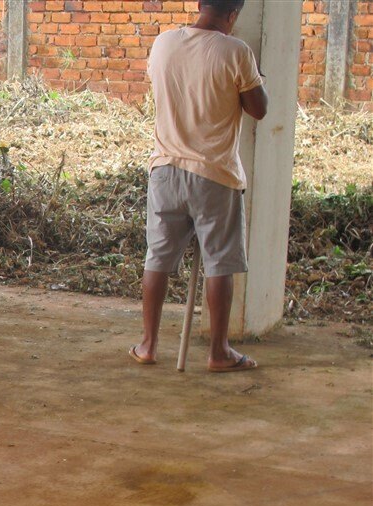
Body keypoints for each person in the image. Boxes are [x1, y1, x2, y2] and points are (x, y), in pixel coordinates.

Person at [130, 0, 268, 371]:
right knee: (220, 262)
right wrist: (255, 78)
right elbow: (259, 108)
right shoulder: (236, 51)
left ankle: (148, 344)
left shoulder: (163, 43)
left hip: (165, 169)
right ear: (234, 14)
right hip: (215, 174)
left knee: (157, 256)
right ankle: (219, 353)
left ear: (199, 5)